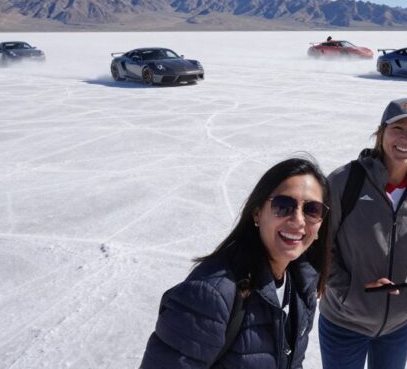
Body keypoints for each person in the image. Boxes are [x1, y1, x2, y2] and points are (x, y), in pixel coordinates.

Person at [140, 157, 331, 369]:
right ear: (257, 212)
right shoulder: (210, 296)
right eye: (283, 205)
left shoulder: (302, 286)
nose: (298, 221)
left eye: (311, 210)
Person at [318, 97, 407, 369]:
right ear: (381, 132)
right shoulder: (345, 181)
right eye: (398, 129)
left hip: (399, 325)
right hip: (344, 323)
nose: (406, 139)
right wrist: (348, 293)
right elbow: (320, 246)